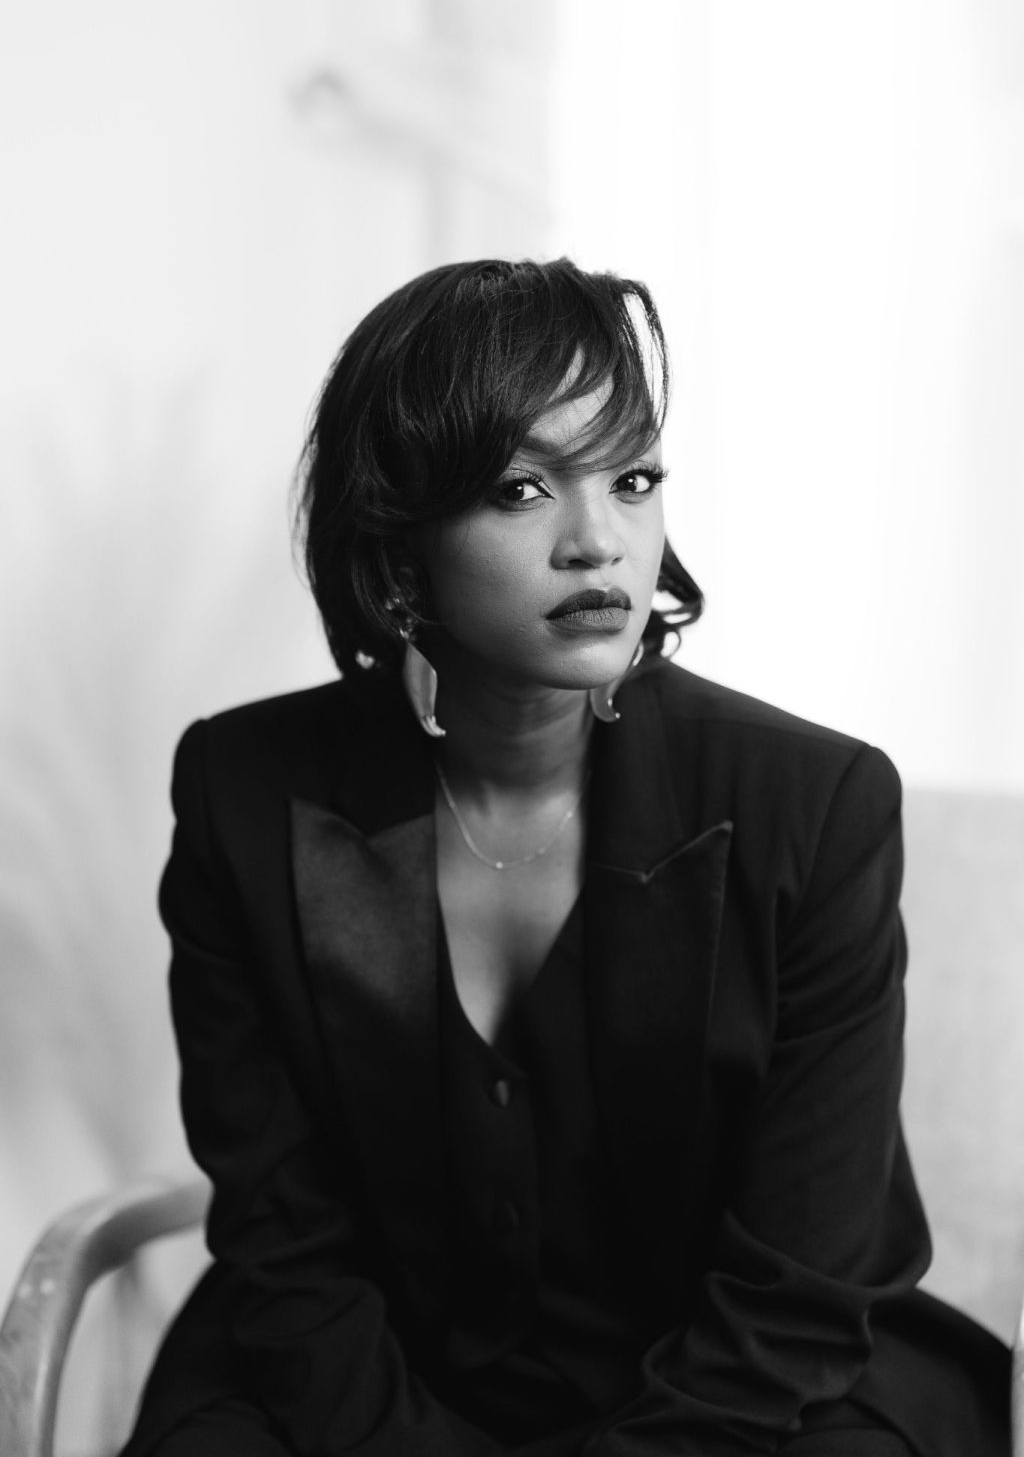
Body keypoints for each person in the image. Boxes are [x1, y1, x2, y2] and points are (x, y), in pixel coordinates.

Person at [120, 258, 1009, 1457]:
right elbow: (284, 1238)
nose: (598, 543)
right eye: (521, 489)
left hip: (745, 1390)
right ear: (399, 546)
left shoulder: (813, 806)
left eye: (631, 480)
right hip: (367, 1382)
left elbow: (803, 1272)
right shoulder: (244, 792)